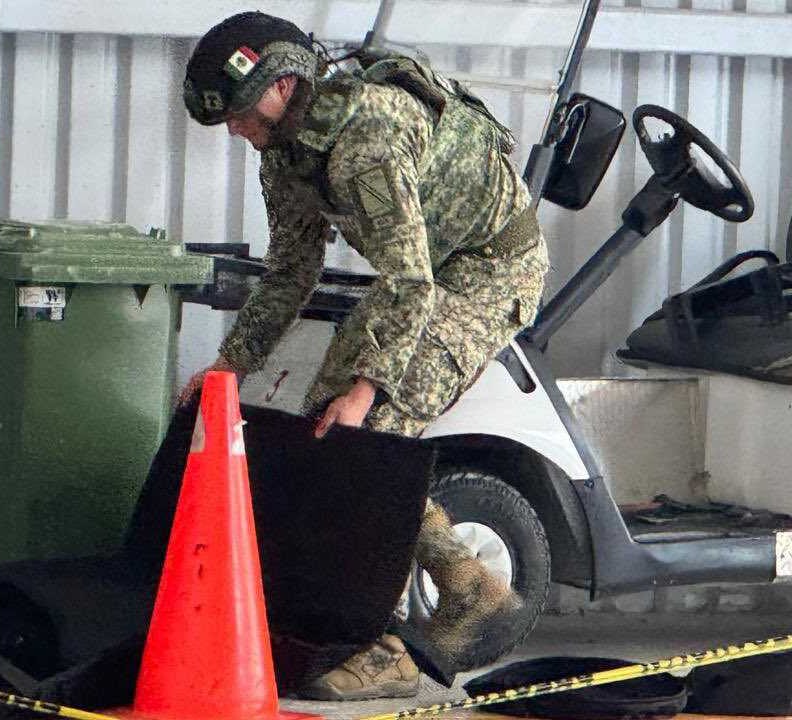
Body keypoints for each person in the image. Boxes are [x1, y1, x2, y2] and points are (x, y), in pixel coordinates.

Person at [178, 12, 550, 700]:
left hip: (487, 273)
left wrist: (366, 389)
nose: (234, 128)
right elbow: (291, 270)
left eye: (241, 112)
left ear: (284, 85)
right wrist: (230, 364)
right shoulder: (284, 151)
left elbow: (412, 282)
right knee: (327, 434)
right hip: (424, 273)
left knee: (367, 437)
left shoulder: (364, 144)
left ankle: (390, 648)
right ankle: (469, 586)